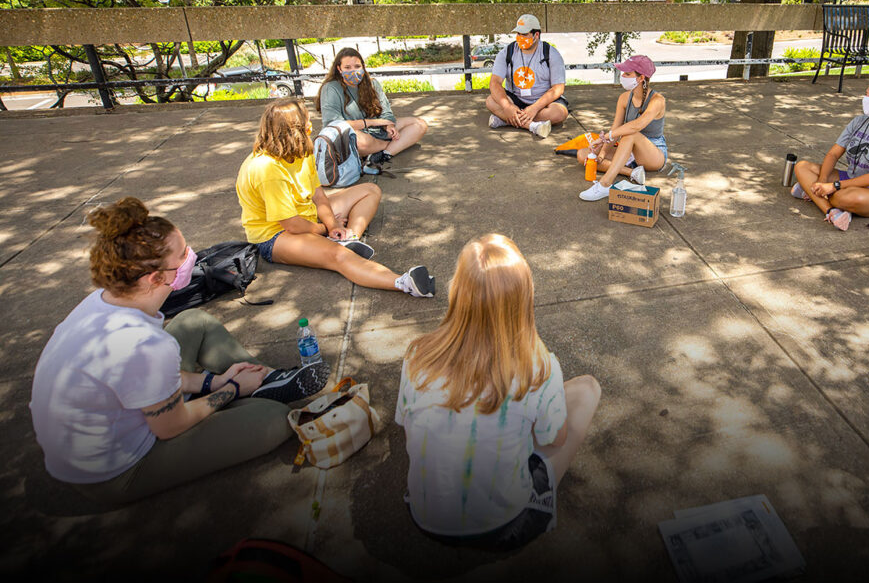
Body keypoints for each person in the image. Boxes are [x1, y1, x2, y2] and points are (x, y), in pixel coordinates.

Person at [29, 197, 329, 505]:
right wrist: (231, 389)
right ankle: (257, 390)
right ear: (155, 278)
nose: (192, 257)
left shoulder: (103, 301)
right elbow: (171, 425)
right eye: (183, 254)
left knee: (192, 321)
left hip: (98, 432)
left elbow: (142, 374)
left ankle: (263, 381)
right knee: (276, 419)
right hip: (116, 472)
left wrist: (212, 382)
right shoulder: (144, 343)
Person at [395, 234, 601, 549]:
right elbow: (554, 441)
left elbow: (408, 433)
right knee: (587, 389)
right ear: (524, 297)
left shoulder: (416, 355)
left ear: (457, 291)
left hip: (423, 517)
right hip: (506, 526)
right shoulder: (539, 367)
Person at [235, 98, 435, 297]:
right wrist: (324, 227)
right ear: (295, 128)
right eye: (306, 119)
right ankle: (403, 283)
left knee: (370, 191)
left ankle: (347, 238)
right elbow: (292, 225)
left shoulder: (302, 151)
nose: (311, 124)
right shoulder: (266, 169)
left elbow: (319, 196)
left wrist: (334, 227)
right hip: (275, 236)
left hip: (305, 216)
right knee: (339, 257)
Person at [791, 76, 869, 231]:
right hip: (851, 178)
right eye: (867, 93)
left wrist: (833, 186)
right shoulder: (860, 121)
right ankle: (832, 211)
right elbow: (833, 154)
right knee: (802, 167)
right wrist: (822, 182)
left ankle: (813, 194)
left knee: (845, 197)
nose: (867, 98)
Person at [316, 47, 428, 174]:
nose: (353, 71)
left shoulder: (372, 84)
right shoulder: (331, 88)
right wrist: (371, 122)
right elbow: (334, 124)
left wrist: (389, 125)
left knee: (419, 124)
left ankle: (380, 154)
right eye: (347, 68)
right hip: (354, 135)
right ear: (339, 68)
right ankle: (390, 147)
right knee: (358, 141)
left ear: (363, 67)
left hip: (377, 130)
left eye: (357, 66)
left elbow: (386, 111)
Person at [578, 54, 669, 201]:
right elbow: (615, 129)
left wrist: (604, 138)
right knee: (584, 155)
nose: (623, 76)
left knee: (630, 134)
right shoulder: (624, 98)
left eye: (627, 73)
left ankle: (605, 184)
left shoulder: (657, 100)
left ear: (641, 78)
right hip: (629, 152)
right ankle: (632, 173)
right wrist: (602, 153)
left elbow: (636, 126)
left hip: (653, 154)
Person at [485, 14, 569, 139]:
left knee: (559, 113)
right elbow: (495, 83)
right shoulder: (507, 52)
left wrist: (534, 108)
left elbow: (558, 88)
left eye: (524, 34)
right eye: (518, 34)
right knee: (490, 101)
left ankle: (506, 120)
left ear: (536, 35)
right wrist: (507, 106)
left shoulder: (551, 53)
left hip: (542, 101)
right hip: (516, 99)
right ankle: (532, 126)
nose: (520, 38)